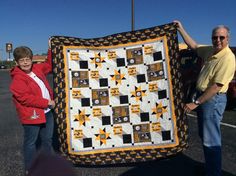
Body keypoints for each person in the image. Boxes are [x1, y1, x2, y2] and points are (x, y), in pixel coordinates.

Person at [174, 20, 235, 176]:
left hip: (212, 100)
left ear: (228, 38)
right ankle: (210, 168)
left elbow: (216, 87)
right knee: (205, 136)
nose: (218, 40)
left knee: (211, 140)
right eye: (215, 37)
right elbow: (193, 46)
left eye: (221, 37)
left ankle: (213, 173)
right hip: (203, 96)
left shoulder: (227, 58)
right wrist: (180, 28)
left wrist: (196, 103)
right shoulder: (210, 50)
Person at [10, 45, 55, 175]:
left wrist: (51, 49)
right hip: (32, 115)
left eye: (27, 59)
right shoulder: (17, 79)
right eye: (22, 60)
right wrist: (47, 102)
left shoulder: (37, 68)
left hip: (47, 112)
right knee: (31, 143)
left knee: (47, 140)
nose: (25, 62)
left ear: (31, 59)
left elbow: (49, 64)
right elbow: (25, 98)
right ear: (17, 63)